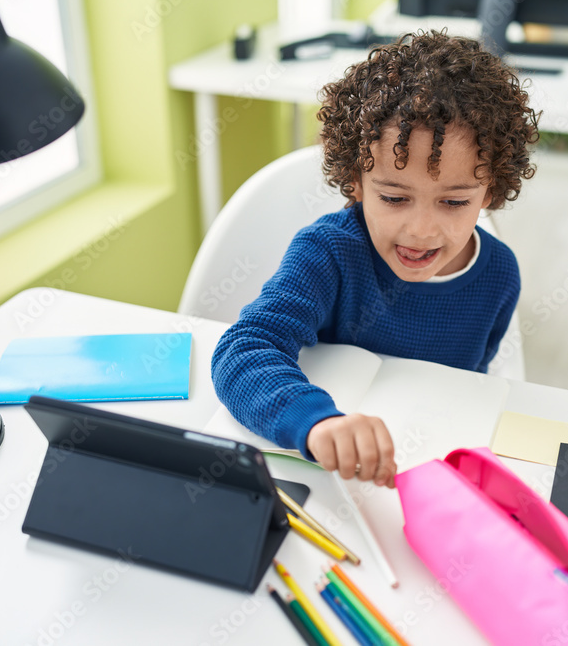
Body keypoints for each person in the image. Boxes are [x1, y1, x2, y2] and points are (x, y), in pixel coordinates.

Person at [211, 31, 539, 488]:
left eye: (453, 203)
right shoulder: (328, 253)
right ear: (356, 182)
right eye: (394, 197)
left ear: (492, 191)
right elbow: (243, 350)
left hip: (423, 482)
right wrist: (316, 422)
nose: (421, 230)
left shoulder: (499, 275)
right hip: (322, 478)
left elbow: (470, 391)